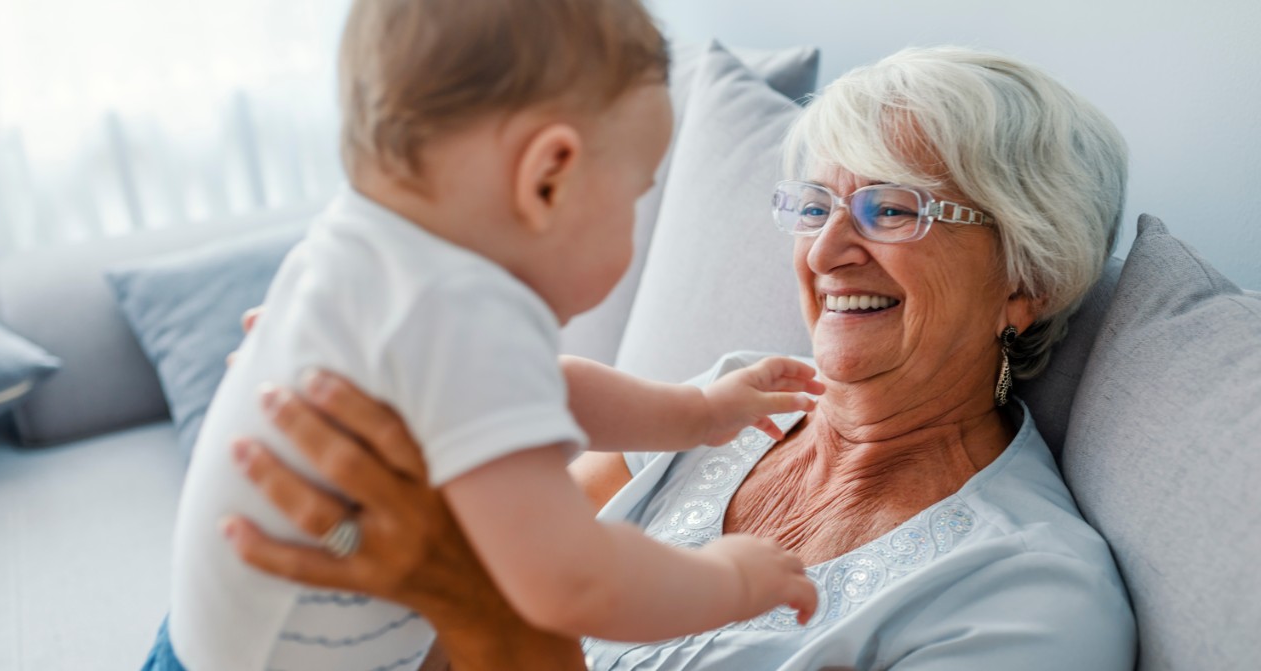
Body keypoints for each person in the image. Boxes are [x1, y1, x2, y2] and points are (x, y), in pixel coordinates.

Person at [221, 46, 1140, 670]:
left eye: (892, 210)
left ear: (1030, 277)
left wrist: (472, 608)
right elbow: (494, 566)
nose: (824, 253)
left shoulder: (1028, 597)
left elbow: (486, 608)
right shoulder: (729, 405)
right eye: (815, 205)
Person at [145, 1, 823, 670]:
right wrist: (731, 581)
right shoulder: (464, 315)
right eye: (633, 198)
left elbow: (548, 387)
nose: (631, 228)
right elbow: (573, 580)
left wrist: (696, 412)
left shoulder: (361, 251)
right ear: (547, 178)